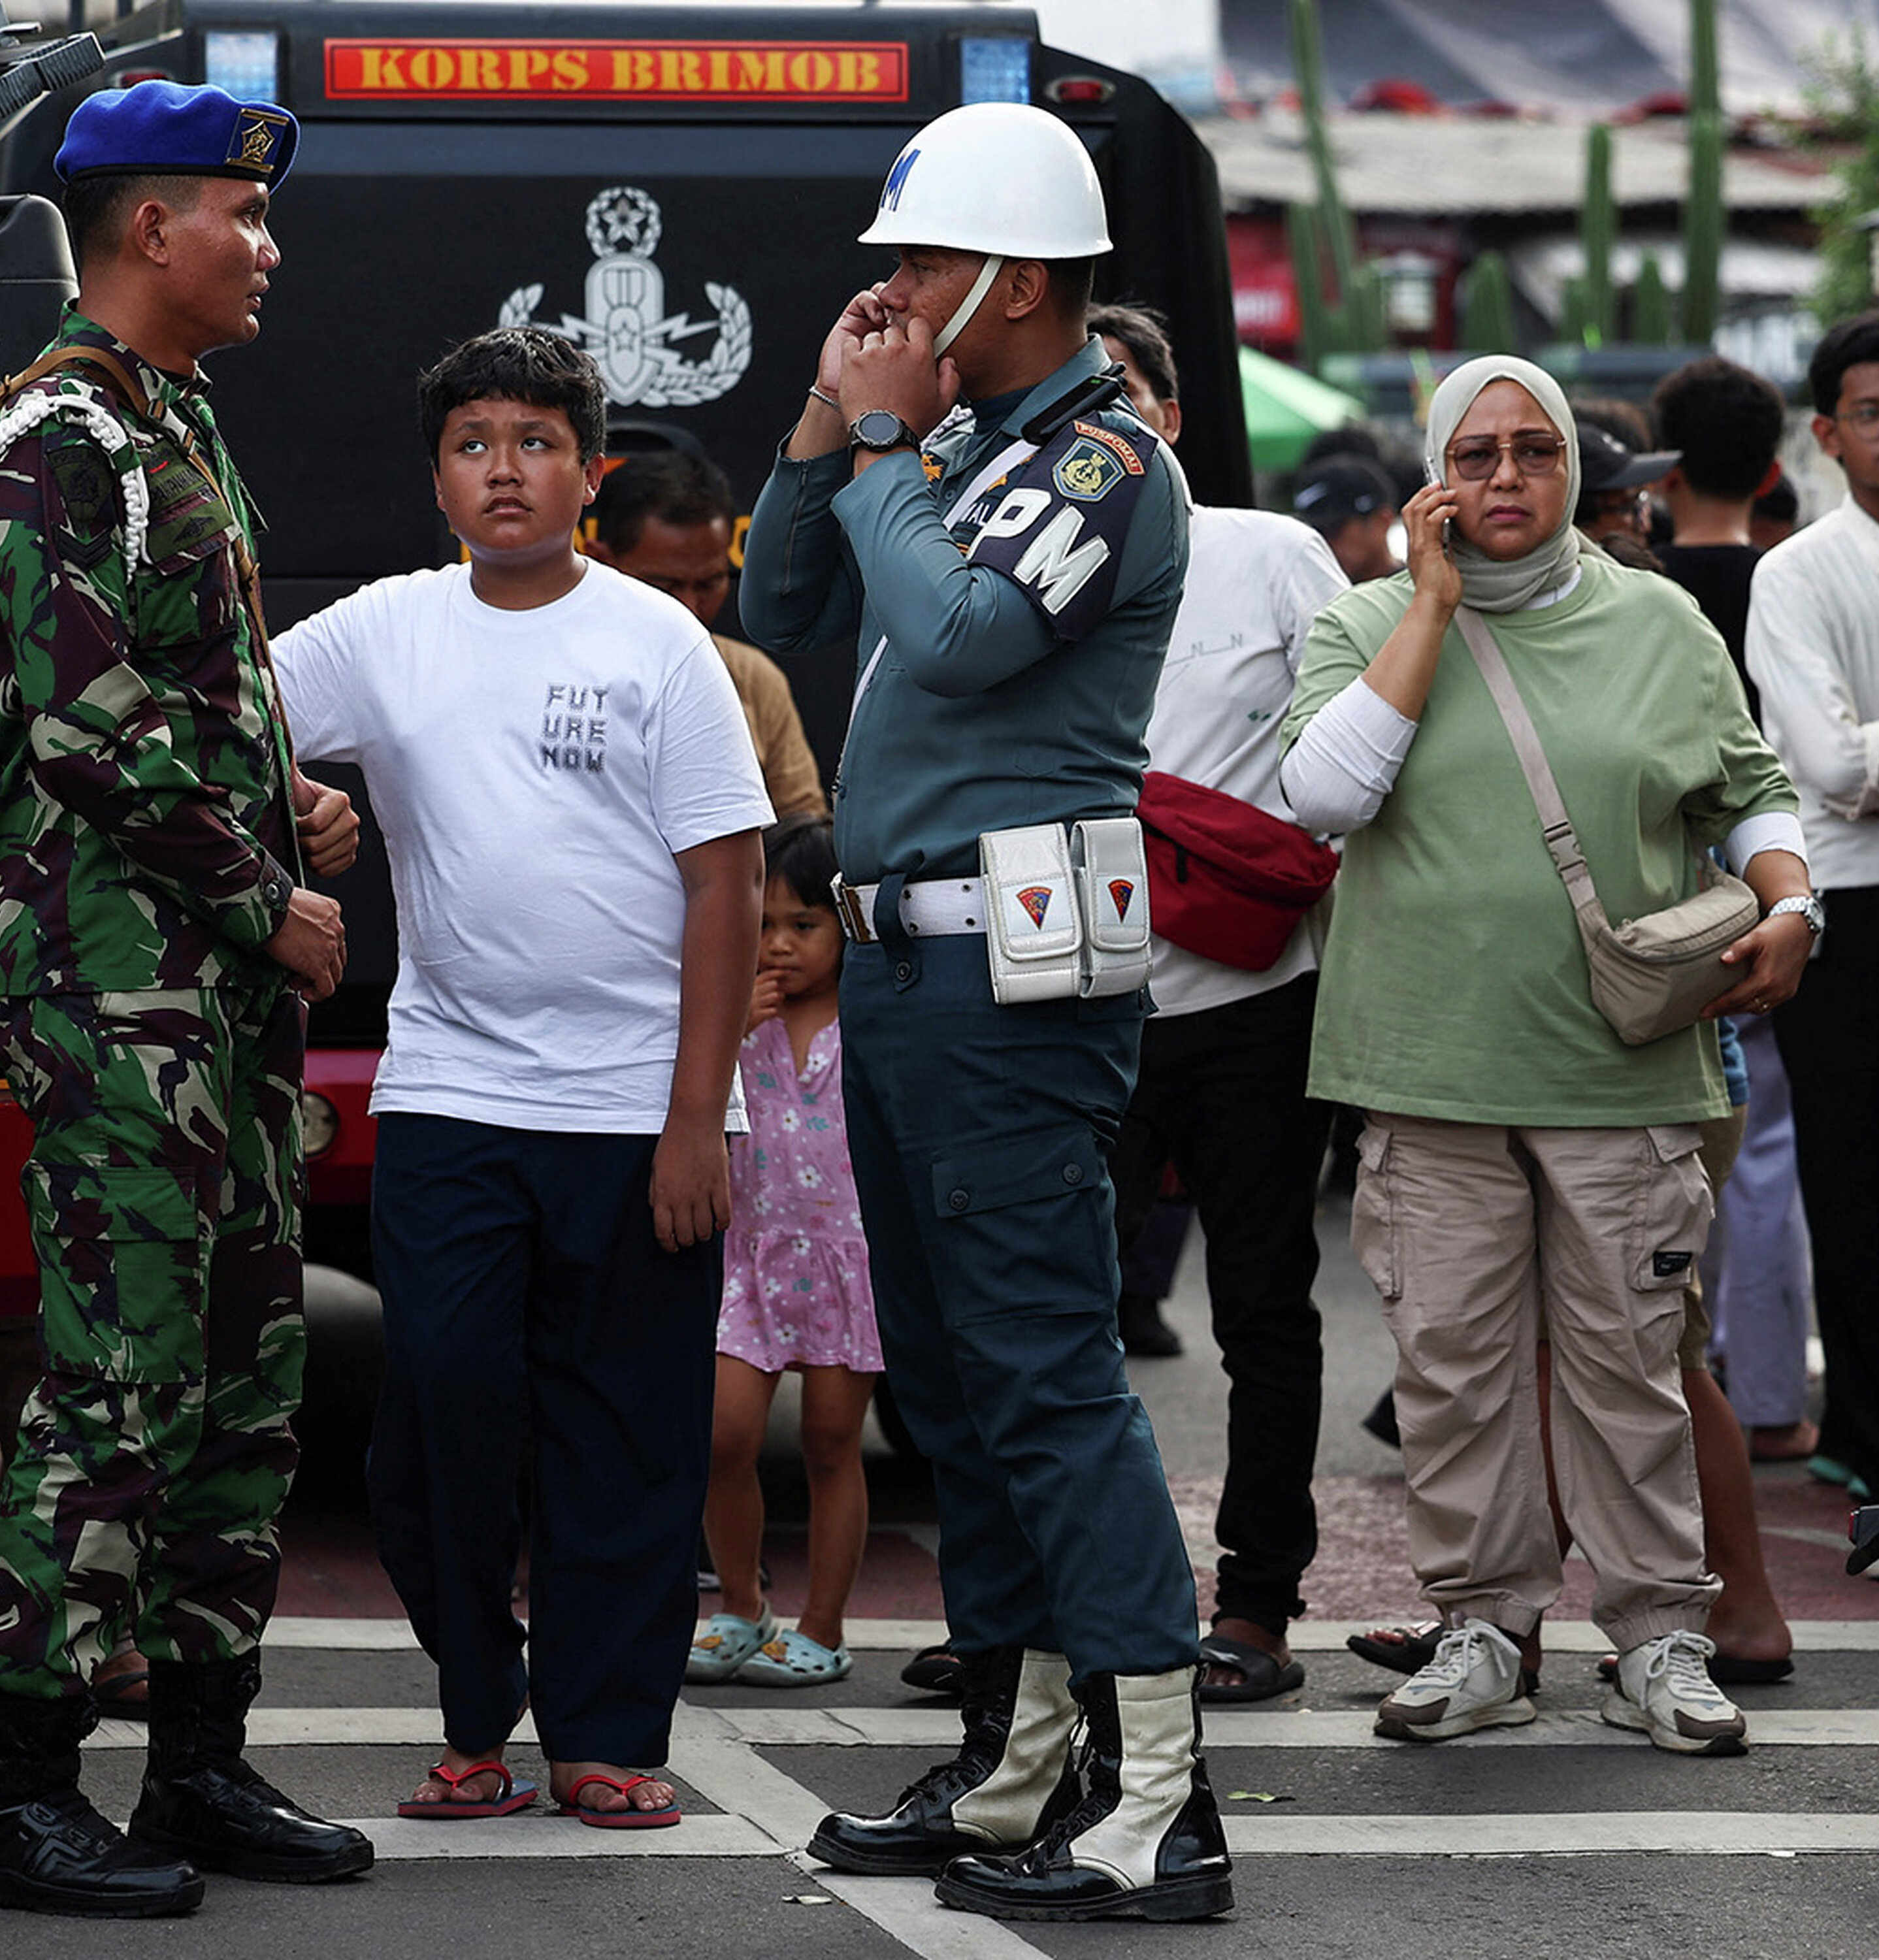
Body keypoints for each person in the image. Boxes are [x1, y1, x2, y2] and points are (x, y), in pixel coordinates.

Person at [742, 101, 1231, 1922]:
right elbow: (787, 606)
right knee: (948, 1379)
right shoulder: (952, 443)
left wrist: (880, 447)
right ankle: (1023, 1765)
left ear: (1016, 277)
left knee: (1041, 1370)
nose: (893, 292)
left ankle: (1163, 1794)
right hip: (911, 958)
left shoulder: (1109, 458)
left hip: (1013, 963)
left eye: (925, 263)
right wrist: (825, 435)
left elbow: (955, 640)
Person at [1279, 353, 1815, 1756]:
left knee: (1628, 1368)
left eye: (1533, 451)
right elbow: (1326, 792)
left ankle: (1658, 1640)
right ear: (1434, 475)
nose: (1505, 478)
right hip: (1425, 1068)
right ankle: (1485, 1632)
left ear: (1578, 466)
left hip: (1621, 1072)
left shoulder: (1664, 627)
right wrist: (1435, 606)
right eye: (1475, 454)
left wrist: (1795, 898)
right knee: (1452, 1369)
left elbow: (1752, 788)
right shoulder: (1366, 622)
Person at [271, 329, 770, 1823]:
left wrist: (698, 1118)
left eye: (538, 442)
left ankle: (608, 1729)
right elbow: (216, 722)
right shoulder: (387, 630)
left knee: (625, 1423)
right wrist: (297, 799)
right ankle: (479, 1698)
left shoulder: (654, 641)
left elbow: (729, 883)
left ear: (587, 472)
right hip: (449, 1090)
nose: (507, 467)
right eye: (477, 441)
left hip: (635, 1109)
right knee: (438, 1400)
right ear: (437, 476)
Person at [0, 80, 373, 1921]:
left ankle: (201, 1766)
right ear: (152, 228)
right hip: (115, 986)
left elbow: (201, 691)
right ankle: (19, 1777)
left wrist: (292, 792)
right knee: (122, 1380)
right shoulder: (55, 433)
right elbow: (81, 722)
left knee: (246, 1381)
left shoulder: (181, 420)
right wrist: (270, 889)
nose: (269, 244)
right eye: (244, 210)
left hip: (215, 994)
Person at [1088, 301, 1347, 1707]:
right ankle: (1062, 1598)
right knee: (1057, 1320)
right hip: (1074, 998)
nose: (1099, 419)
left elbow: (1362, 741)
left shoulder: (1271, 554)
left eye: (1120, 390)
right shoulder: (1023, 562)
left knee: (1267, 1307)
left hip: (1259, 1000)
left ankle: (1257, 1604)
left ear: (1174, 416)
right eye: (1071, 397)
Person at [1745, 304, 1879, 1574]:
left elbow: (1872, 772)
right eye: (1872, 412)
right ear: (1826, 433)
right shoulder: (1798, 575)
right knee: (1864, 1199)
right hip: (1856, 926)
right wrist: (1874, 778)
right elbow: (1829, 767)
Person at [1651, 355, 1816, 1465]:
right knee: (1769, 1152)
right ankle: (1767, 1400)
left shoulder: (1641, 592)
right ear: (1773, 467)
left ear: (1662, 467)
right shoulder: (1791, 583)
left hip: (1662, 900)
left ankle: (1680, 1380)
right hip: (1784, 873)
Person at [686, 815, 880, 1688]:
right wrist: (730, 1027)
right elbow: (690, 1099)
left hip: (847, 1264)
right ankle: (738, 1605)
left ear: (847, 925)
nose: (780, 946)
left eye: (804, 927)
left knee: (834, 1443)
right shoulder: (734, 1017)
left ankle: (824, 1626)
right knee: (723, 1437)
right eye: (763, 925)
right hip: (752, 1260)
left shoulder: (869, 1025)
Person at [587, 450, 826, 818]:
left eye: (709, 583)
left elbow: (801, 831)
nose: (690, 608)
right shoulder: (553, 668)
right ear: (601, 561)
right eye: (664, 586)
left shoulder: (753, 679)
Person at [1292, 455, 1401, 583]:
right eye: (1314, 532)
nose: (1322, 543)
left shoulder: (1421, 592)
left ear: (1382, 521)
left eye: (1333, 530)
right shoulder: (1307, 596)